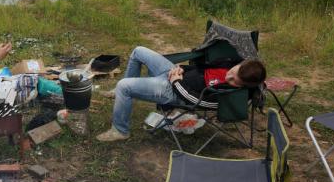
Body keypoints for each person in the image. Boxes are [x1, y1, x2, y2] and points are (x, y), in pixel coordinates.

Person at [96, 46, 266, 142]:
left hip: (173, 91)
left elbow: (197, 100)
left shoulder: (230, 92)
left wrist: (176, 82)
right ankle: (119, 95)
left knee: (124, 85)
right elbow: (201, 69)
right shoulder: (232, 64)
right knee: (138, 51)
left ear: (244, 85)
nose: (230, 77)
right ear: (240, 64)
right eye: (233, 72)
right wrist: (181, 69)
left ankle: (120, 130)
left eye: (236, 81)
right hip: (176, 74)